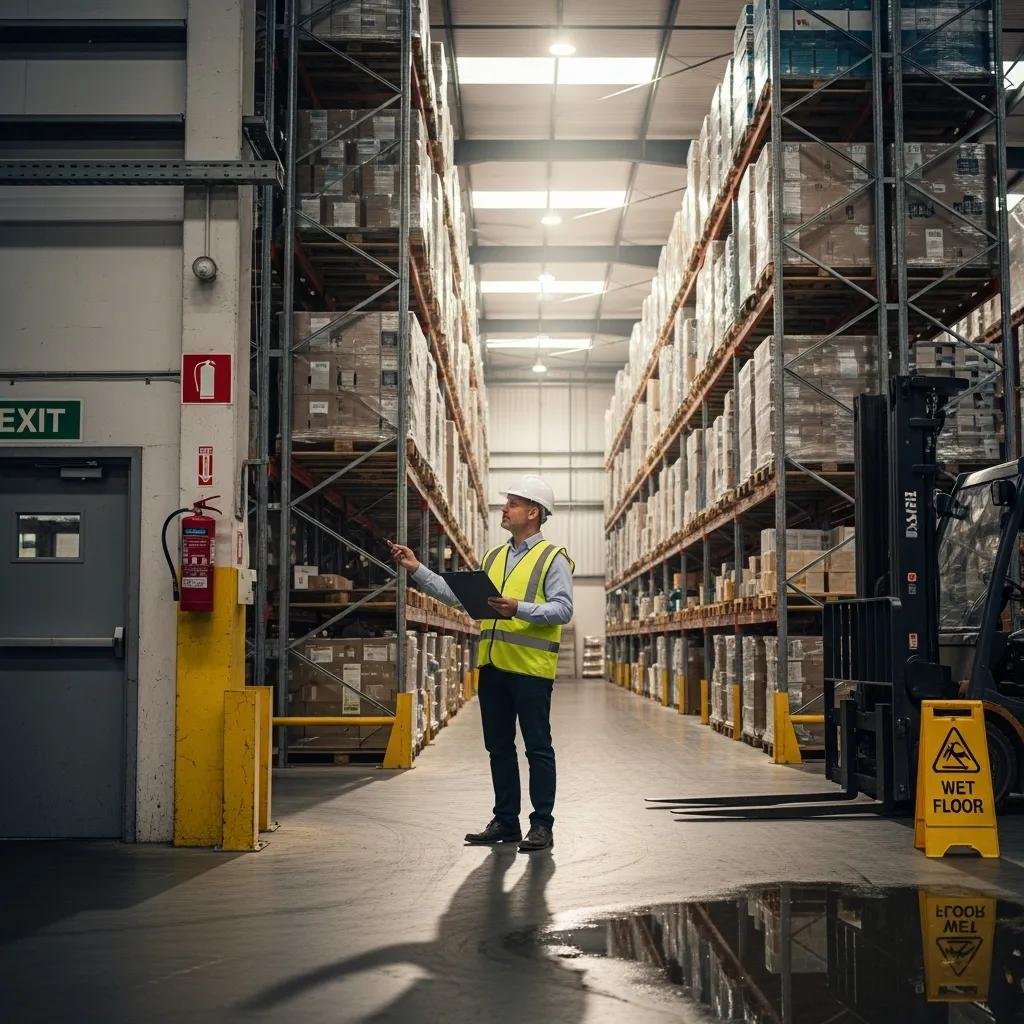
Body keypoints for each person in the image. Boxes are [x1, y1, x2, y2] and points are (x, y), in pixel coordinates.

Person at [388, 474, 573, 853]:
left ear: (533, 512)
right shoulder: (494, 557)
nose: (504, 509)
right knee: (498, 748)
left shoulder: (553, 557)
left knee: (537, 748)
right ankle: (506, 820)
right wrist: (416, 568)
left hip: (531, 670)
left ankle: (541, 825)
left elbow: (563, 609)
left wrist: (517, 607)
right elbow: (456, 596)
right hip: (492, 668)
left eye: (513, 504)